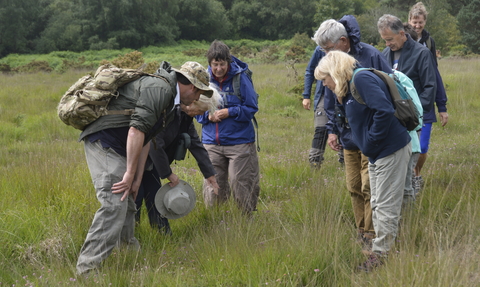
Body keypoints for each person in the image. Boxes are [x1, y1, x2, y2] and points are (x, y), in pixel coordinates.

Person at [76, 61, 214, 275]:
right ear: (193, 87)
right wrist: (130, 173)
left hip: (121, 146)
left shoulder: (169, 99)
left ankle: (128, 257)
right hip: (105, 141)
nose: (196, 100)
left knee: (128, 199)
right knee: (114, 203)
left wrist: (137, 178)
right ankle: (87, 270)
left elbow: (146, 139)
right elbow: (136, 131)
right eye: (198, 94)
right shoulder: (161, 89)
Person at [315, 51, 411, 272]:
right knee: (377, 202)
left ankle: (381, 256)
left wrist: (371, 142)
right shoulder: (346, 89)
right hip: (378, 152)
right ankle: (383, 248)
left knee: (385, 204)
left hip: (390, 149)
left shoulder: (361, 79)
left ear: (335, 72)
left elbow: (384, 110)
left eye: (325, 78)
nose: (324, 84)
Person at [313, 15, 392, 251]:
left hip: (369, 136)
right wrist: (332, 131)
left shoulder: (371, 55)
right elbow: (329, 97)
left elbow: (389, 90)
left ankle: (371, 234)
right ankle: (361, 231)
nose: (325, 53)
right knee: (354, 185)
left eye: (328, 48)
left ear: (343, 41)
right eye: (322, 49)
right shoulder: (329, 63)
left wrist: (375, 135)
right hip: (347, 136)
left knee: (370, 187)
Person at [136, 92, 221, 235]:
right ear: (193, 102)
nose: (201, 114)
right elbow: (155, 144)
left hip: (152, 164)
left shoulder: (185, 118)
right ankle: (129, 238)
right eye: (201, 110)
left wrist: (209, 174)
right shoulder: (167, 112)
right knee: (136, 197)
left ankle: (163, 236)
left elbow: (196, 145)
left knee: (156, 198)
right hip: (135, 159)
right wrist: (168, 174)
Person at [377, 14, 437, 204]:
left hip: (413, 122)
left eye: (390, 40)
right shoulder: (384, 55)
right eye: (384, 40)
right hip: (392, 122)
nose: (387, 44)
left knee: (409, 168)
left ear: (402, 33)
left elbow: (430, 87)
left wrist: (415, 115)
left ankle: (409, 215)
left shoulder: (421, 53)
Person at [196, 40, 260, 215]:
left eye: (222, 64)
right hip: (211, 143)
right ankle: (215, 220)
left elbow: (251, 108)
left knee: (241, 183)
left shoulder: (241, 78)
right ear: (210, 64)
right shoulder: (203, 80)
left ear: (228, 62)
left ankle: (246, 221)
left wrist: (229, 112)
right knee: (213, 186)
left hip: (239, 142)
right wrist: (206, 116)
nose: (218, 69)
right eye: (215, 64)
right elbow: (194, 107)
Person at [408, 2, 449, 193]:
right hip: (405, 103)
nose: (417, 26)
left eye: (420, 22)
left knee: (422, 147)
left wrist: (441, 106)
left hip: (424, 103)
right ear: (409, 21)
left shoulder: (429, 42)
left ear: (425, 22)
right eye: (414, 22)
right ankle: (410, 178)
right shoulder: (399, 42)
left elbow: (434, 74)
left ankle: (416, 172)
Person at [302, 46, 334, 169]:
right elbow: (310, 71)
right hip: (323, 94)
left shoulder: (347, 46)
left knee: (344, 128)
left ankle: (344, 163)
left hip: (342, 92)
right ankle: (315, 163)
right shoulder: (320, 49)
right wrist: (306, 95)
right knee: (321, 129)